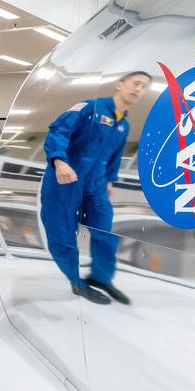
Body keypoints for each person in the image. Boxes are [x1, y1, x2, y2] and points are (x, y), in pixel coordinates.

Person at [39, 71, 150, 305]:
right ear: (120, 85)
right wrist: (59, 161)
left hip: (97, 183)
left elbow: (114, 157)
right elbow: (58, 130)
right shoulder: (90, 107)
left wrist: (109, 180)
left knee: (104, 230)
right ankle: (76, 281)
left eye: (144, 87)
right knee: (62, 230)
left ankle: (101, 277)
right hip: (66, 178)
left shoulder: (124, 126)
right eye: (135, 83)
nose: (139, 89)